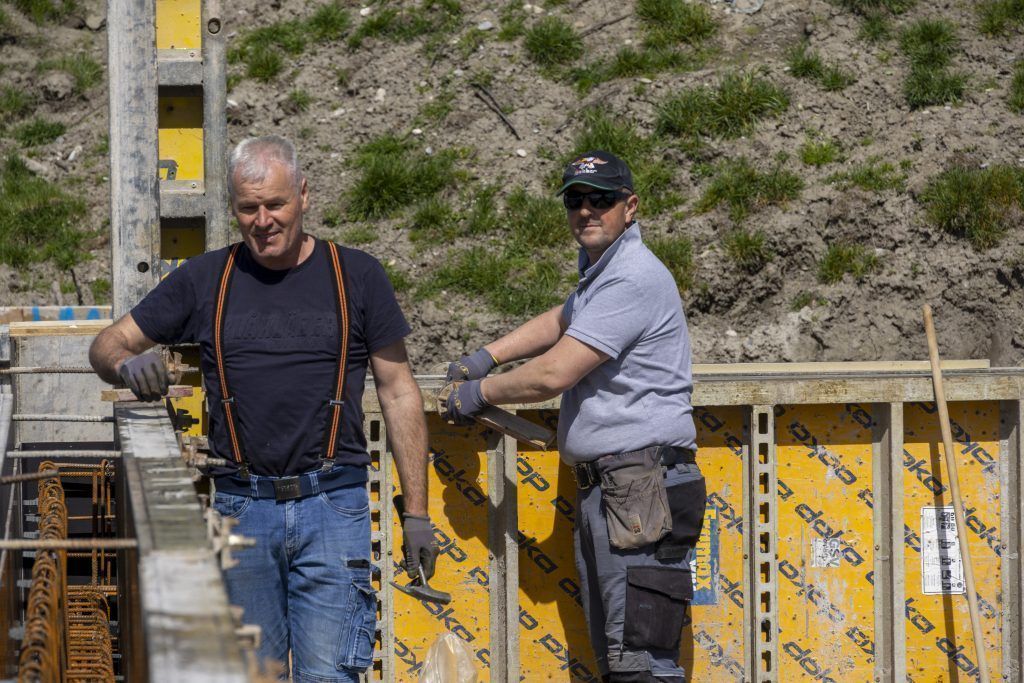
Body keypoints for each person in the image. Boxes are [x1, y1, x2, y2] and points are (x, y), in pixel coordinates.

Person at [89, 135, 437, 682]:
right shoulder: (208, 278)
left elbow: (399, 392)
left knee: (330, 676)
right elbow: (108, 344)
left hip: (333, 506)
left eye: (275, 204)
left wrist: (415, 512)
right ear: (234, 209)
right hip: (242, 509)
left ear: (303, 195)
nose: (263, 220)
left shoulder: (357, 276)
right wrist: (125, 365)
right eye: (249, 208)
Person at [444, 150, 706, 683]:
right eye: (575, 200)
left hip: (639, 487)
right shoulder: (602, 276)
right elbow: (564, 318)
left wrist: (478, 392)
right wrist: (488, 354)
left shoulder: (632, 277)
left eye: (601, 199)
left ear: (629, 207)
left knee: (640, 664)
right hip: (619, 488)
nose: (586, 210)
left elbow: (552, 375)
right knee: (620, 660)